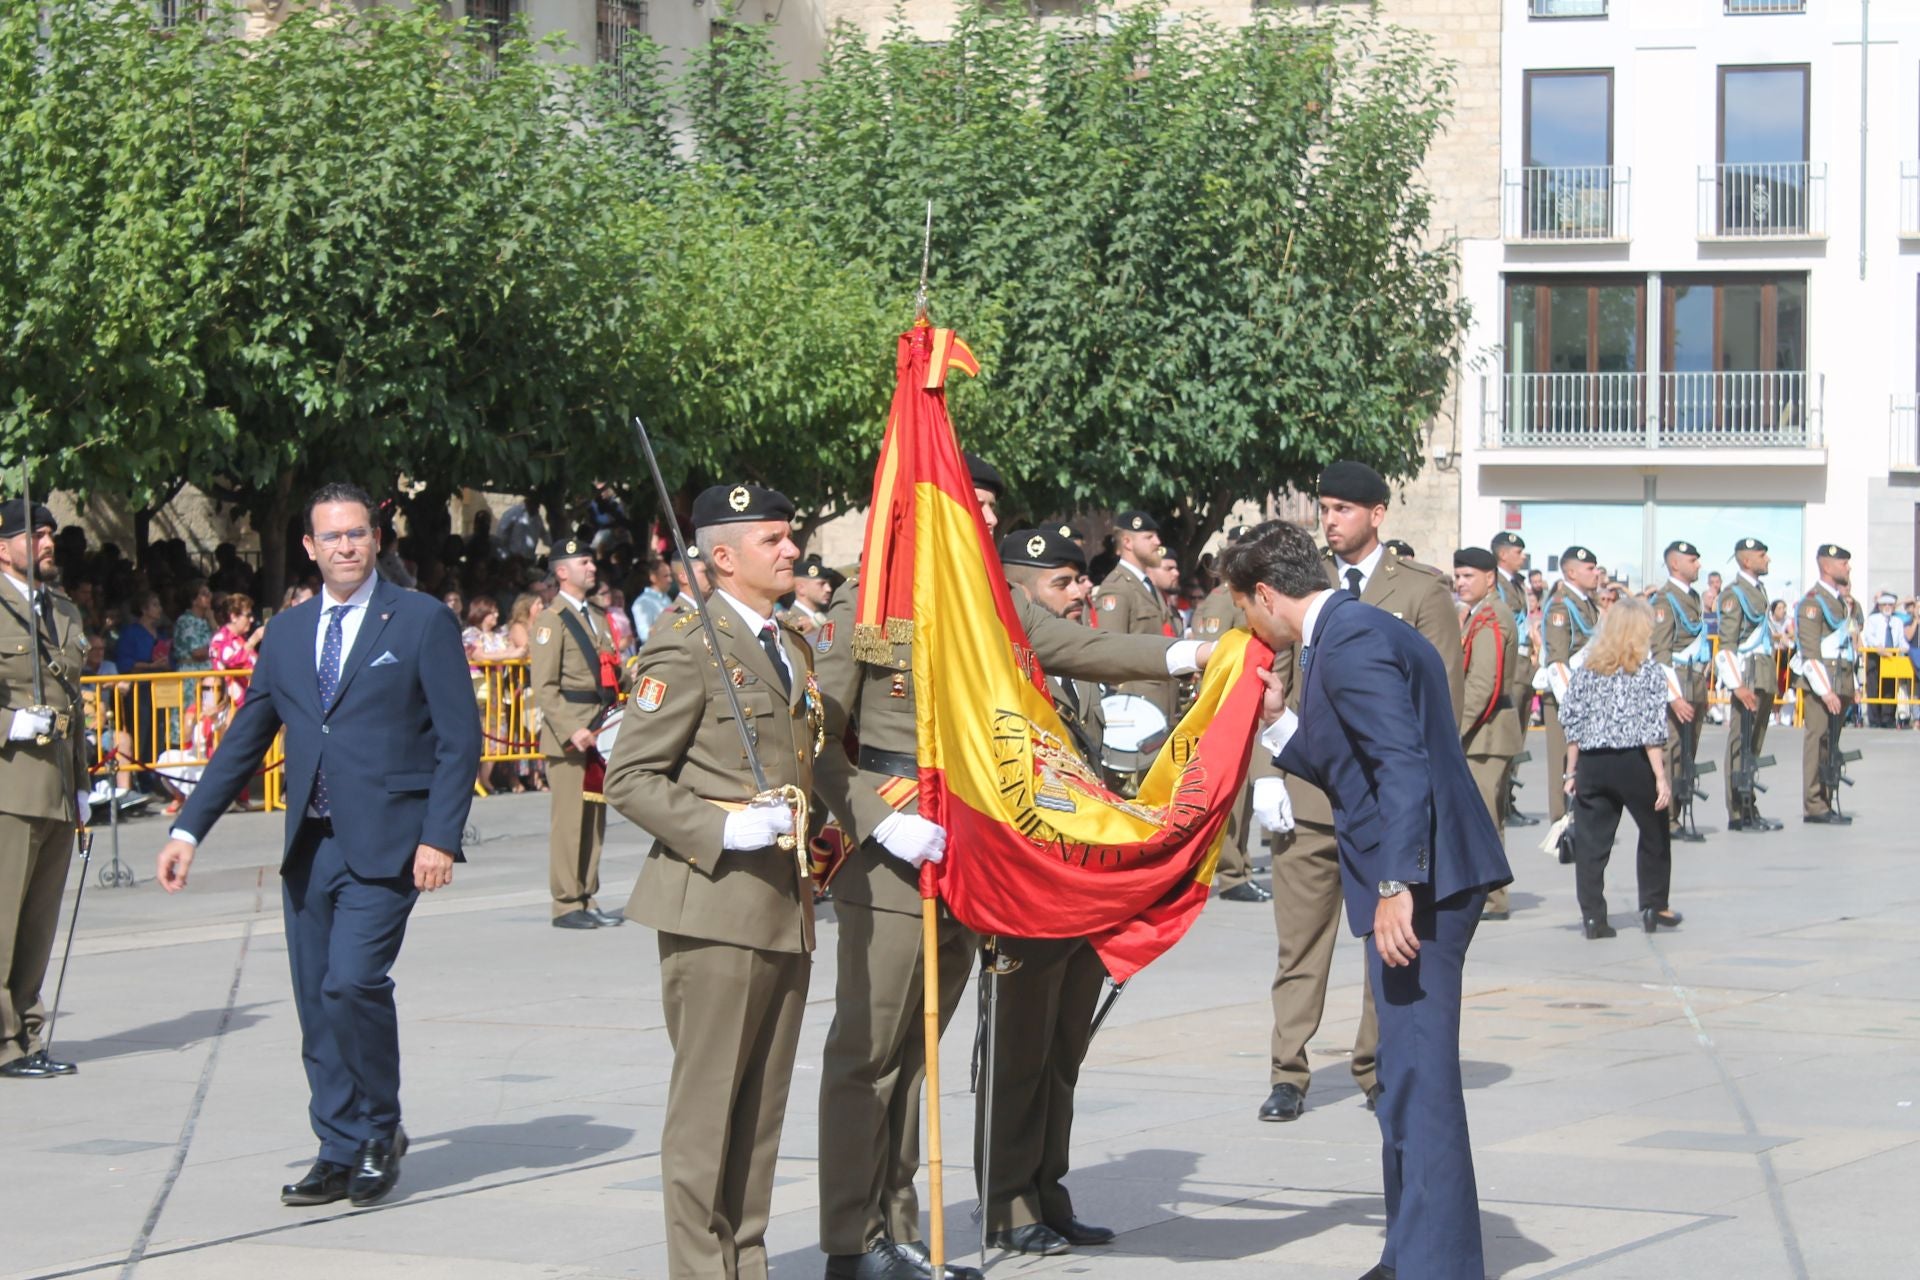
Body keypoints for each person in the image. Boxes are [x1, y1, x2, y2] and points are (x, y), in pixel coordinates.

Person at [811, 458, 1207, 1279]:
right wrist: (882, 818)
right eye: (971, 505)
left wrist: (1204, 656)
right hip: (895, 852)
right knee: (872, 1055)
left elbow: (1088, 646)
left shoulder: (995, 605)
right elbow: (819, 737)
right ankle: (854, 1242)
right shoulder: (872, 601)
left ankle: (897, 1231)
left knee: (917, 1059)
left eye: (989, 507)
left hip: (968, 850)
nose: (985, 521)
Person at [155, 481, 482, 1207]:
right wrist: (188, 829)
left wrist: (440, 839)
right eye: (331, 536)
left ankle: (378, 1130)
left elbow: (460, 740)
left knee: (352, 982)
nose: (345, 547)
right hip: (311, 842)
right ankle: (336, 1145)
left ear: (376, 539)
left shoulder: (420, 621)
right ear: (309, 546)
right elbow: (247, 737)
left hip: (391, 843)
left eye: (357, 534)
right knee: (314, 998)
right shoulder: (293, 632)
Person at [1226, 518, 1510, 1280]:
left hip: (1426, 883)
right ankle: (1410, 1251)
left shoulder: (1347, 642)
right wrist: (1281, 720)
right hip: (1426, 871)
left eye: (1242, 609)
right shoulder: (1349, 630)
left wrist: (1396, 886)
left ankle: (1439, 1265)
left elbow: (1402, 766)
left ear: (1265, 594)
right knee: (1401, 1073)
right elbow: (1351, 765)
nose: (1244, 625)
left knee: (1420, 1081)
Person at [601, 482, 843, 1280]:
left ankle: (746, 1261)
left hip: (784, 904)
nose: (791, 551)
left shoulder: (790, 645)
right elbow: (631, 776)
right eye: (772, 539)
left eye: (789, 535)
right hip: (713, 907)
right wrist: (723, 825)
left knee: (760, 1115)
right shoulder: (685, 645)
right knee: (706, 1117)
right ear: (724, 557)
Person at [976, 527, 1195, 1255]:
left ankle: (1047, 1189)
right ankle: (1006, 1204)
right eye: (1064, 582)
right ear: (1019, 587)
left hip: (1081, 884)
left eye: (1082, 580)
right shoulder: (1007, 666)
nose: (1082, 594)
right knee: (1018, 1052)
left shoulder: (1069, 667)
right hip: (1027, 886)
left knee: (1064, 1046)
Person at [1260, 461, 1462, 1127]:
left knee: (1388, 942)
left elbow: (1437, 707)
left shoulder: (1421, 590)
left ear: (1378, 514)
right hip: (1312, 798)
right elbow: (1276, 679)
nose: (1331, 519)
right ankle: (1288, 1071)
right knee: (1299, 944)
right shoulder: (1303, 585)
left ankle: (1378, 1067)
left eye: (1345, 508)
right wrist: (1271, 776)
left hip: (1382, 809)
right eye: (1325, 507)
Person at [0, 498, 90, 1079]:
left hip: (56, 784)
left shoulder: (61, 609)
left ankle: (29, 1036)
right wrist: (9, 722)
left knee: (38, 922)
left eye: (50, 533)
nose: (46, 542)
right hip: (8, 786)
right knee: (2, 919)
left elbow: (74, 709)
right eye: (33, 535)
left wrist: (81, 784)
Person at [1556, 597, 1680, 938]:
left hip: (1594, 763)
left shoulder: (1586, 671)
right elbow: (1652, 730)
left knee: (1593, 845)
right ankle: (1655, 905)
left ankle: (1594, 917)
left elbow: (1572, 722)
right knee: (1654, 833)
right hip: (1635, 761)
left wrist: (1571, 772)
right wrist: (1661, 777)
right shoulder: (1650, 673)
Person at [531, 539, 627, 929]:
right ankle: (566, 902)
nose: (592, 567)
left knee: (594, 819)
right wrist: (573, 728)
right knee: (570, 822)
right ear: (561, 572)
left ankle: (587, 895)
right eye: (583, 561)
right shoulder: (550, 621)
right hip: (571, 735)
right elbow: (545, 686)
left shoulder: (598, 617)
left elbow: (611, 670)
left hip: (600, 728)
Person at [1188, 527, 1271, 904]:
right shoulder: (1223, 600)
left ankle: (1241, 867)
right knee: (1233, 799)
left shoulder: (1247, 594)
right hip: (1232, 706)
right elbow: (1217, 659)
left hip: (1251, 704)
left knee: (1247, 795)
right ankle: (1232, 873)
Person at [1454, 548, 1523, 922]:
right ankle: (1485, 889)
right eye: (1458, 575)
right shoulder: (1478, 614)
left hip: (1486, 733)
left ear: (1490, 578)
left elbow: (1483, 684)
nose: (1461, 583)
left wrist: (1454, 729)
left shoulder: (1492, 617)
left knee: (1484, 816)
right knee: (1482, 815)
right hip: (1482, 732)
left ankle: (1493, 897)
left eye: (1469, 576)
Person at [1091, 511, 1180, 745]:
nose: (1157, 543)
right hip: (1136, 712)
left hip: (1161, 708)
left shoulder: (1145, 585)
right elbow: (1111, 653)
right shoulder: (1118, 588)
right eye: (1149, 537)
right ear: (1128, 542)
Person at [1796, 544, 1864, 824]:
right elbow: (1810, 652)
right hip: (1823, 685)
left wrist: (1853, 685)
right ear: (1827, 567)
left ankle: (1827, 796)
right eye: (1843, 563)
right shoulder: (1813, 602)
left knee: (1831, 744)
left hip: (1842, 681)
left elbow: (1849, 642)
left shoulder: (1841, 602)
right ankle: (1814, 803)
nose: (1848, 567)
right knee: (1818, 741)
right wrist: (1825, 691)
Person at [1717, 538, 1782, 831]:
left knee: (1754, 745)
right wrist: (1737, 685)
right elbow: (1727, 645)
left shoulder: (1757, 589)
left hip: (1763, 674)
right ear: (1746, 561)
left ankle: (1749, 804)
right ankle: (1737, 810)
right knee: (1740, 742)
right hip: (1747, 676)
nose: (1767, 559)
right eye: (1761, 554)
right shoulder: (1735, 594)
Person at [1648, 542, 1709, 842]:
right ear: (1674, 564)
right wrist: (1674, 696)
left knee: (1688, 751)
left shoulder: (1692, 597)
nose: (1698, 564)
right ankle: (1667, 818)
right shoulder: (1664, 601)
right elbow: (1660, 654)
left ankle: (1681, 811)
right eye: (1692, 560)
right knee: (1672, 750)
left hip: (1694, 682)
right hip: (1677, 685)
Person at [1539, 547, 1601, 825]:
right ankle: (1561, 822)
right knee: (1563, 760)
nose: (1596, 573)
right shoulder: (1562, 606)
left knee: (1584, 760)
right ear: (1571, 572)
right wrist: (1572, 703)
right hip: (1565, 697)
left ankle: (1579, 816)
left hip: (1585, 694)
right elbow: (1558, 662)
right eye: (1590, 568)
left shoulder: (1587, 604)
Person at [1490, 532, 1539, 829]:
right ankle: (1500, 802)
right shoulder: (1496, 582)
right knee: (1508, 736)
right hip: (1511, 665)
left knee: (1519, 736)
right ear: (1503, 554)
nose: (1523, 556)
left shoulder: (1517, 583)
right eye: (1518, 551)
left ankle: (1509, 799)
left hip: (1524, 665)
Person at [209, 592, 263, 707]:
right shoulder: (220, 639)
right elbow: (232, 661)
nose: (252, 619)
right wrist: (254, 639)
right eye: (248, 615)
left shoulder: (240, 640)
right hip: (232, 704)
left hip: (249, 700)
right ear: (233, 616)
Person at [1862, 591, 1906, 727]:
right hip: (1876, 655)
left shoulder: (1897, 621)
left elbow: (1901, 640)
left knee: (1889, 687)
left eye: (1890, 605)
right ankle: (1874, 719)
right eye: (1884, 604)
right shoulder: (1873, 619)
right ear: (1879, 606)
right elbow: (1869, 636)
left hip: (1892, 656)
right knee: (1874, 687)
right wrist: (1878, 647)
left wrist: (1904, 648)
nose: (1887, 607)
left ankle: (1888, 718)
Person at [784, 554, 840, 635]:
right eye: (821, 584)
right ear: (801, 588)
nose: (828, 589)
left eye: (828, 584)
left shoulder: (825, 618)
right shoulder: (789, 622)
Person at [171, 580, 216, 672]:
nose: (209, 597)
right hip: (192, 674)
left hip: (208, 673)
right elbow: (197, 653)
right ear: (193, 600)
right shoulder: (186, 621)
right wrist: (217, 651)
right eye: (204, 594)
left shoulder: (207, 620)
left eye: (209, 593)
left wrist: (212, 621)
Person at [629, 557, 674, 647]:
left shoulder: (666, 598)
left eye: (670, 575)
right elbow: (644, 635)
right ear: (653, 578)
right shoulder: (642, 603)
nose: (670, 580)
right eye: (665, 576)